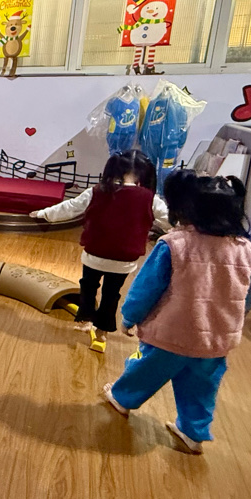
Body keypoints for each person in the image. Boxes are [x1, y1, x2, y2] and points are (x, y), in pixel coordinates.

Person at [102, 171, 251, 454]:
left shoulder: (174, 244)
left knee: (144, 369)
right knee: (202, 389)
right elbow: (247, 297)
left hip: (170, 335)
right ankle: (193, 432)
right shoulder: (245, 249)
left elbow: (146, 287)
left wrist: (129, 317)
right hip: (215, 342)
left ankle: (122, 399)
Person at [31, 150, 169, 353]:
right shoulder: (150, 199)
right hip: (124, 261)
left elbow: (71, 207)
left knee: (88, 286)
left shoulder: (97, 191)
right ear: (143, 174)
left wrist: (44, 214)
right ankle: (102, 332)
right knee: (111, 295)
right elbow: (169, 220)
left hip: (94, 255)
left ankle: (86, 319)